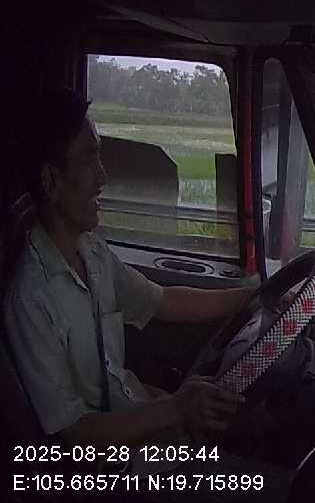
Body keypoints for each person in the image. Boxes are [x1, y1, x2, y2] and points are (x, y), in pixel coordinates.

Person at [4, 88, 256, 448]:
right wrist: (176, 409)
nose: (103, 177)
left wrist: (250, 297)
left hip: (146, 429)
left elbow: (163, 300)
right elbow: (75, 433)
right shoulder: (29, 297)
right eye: (89, 161)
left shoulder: (92, 251)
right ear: (51, 181)